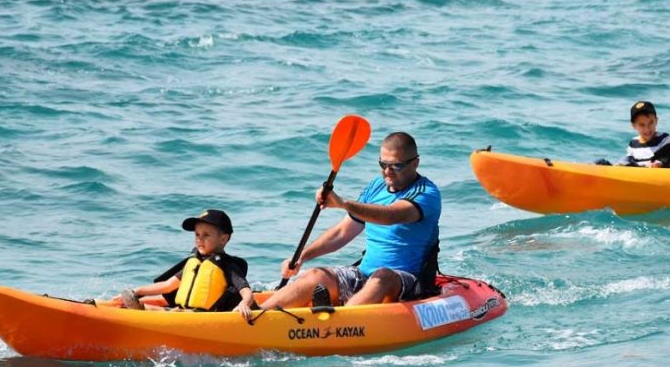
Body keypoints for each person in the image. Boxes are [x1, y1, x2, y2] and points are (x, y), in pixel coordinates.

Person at [260, 132, 441, 309]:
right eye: (383, 164)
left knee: (383, 276)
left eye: (396, 166)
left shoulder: (426, 193)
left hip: (407, 281)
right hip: (364, 275)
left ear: (415, 163)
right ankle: (256, 315)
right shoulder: (376, 186)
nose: (387, 172)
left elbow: (390, 215)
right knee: (317, 275)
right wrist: (302, 257)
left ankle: (340, 322)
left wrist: (343, 204)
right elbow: (342, 232)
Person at [114, 209, 254, 318]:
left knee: (157, 312)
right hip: (180, 311)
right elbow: (168, 286)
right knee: (146, 307)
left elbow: (246, 291)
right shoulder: (194, 262)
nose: (200, 239)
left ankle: (139, 313)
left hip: (202, 317)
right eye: (197, 235)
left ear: (223, 239)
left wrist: (244, 304)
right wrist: (137, 292)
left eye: (206, 235)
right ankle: (133, 308)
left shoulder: (228, 265)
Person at [616, 100, 670, 168]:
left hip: (658, 174)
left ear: (656, 121)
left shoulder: (664, 138)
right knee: (604, 162)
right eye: (642, 125)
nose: (647, 129)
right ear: (634, 126)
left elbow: (667, 156)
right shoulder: (633, 143)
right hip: (639, 174)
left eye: (651, 123)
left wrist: (658, 163)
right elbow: (630, 161)